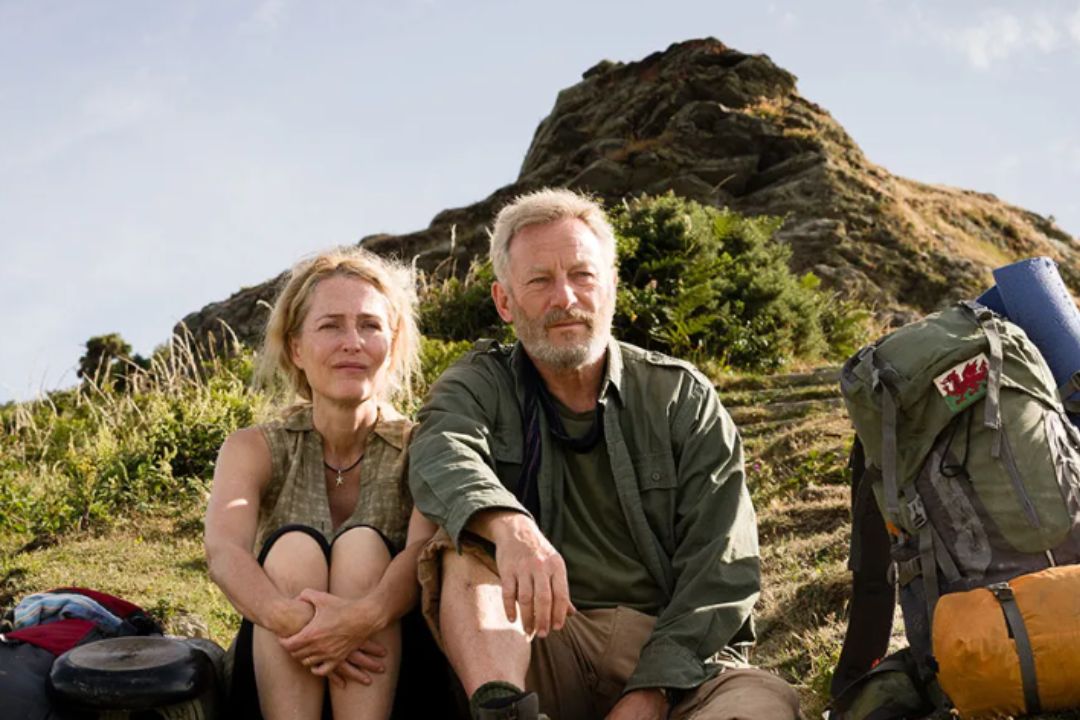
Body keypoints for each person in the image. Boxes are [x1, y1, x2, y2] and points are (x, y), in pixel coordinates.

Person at [408, 188, 801, 720]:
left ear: (612, 285)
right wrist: (510, 527)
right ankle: (505, 713)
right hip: (533, 644)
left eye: (582, 275)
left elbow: (722, 565)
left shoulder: (680, 397)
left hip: (671, 660)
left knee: (761, 706)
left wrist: (652, 690)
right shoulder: (479, 385)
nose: (565, 298)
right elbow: (439, 449)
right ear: (504, 302)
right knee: (462, 551)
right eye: (539, 280)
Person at [204, 247, 438, 720]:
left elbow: (420, 554)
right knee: (294, 551)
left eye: (370, 325)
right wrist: (301, 624)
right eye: (331, 326)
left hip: (393, 675)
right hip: (279, 667)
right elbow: (224, 551)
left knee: (363, 550)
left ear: (392, 344)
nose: (352, 342)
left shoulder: (423, 446)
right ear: (296, 348)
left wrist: (360, 619)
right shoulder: (252, 447)